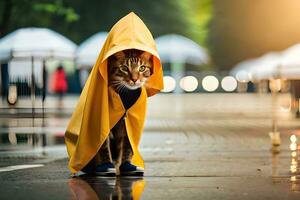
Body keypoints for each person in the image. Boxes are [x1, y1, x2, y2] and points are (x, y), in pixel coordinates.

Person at [64, 12, 163, 176]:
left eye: (141, 69)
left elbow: (132, 126)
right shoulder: (104, 87)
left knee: (130, 124)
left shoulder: (140, 90)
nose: (134, 78)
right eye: (125, 69)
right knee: (103, 121)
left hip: (130, 100)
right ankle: (103, 161)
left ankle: (126, 161)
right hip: (98, 152)